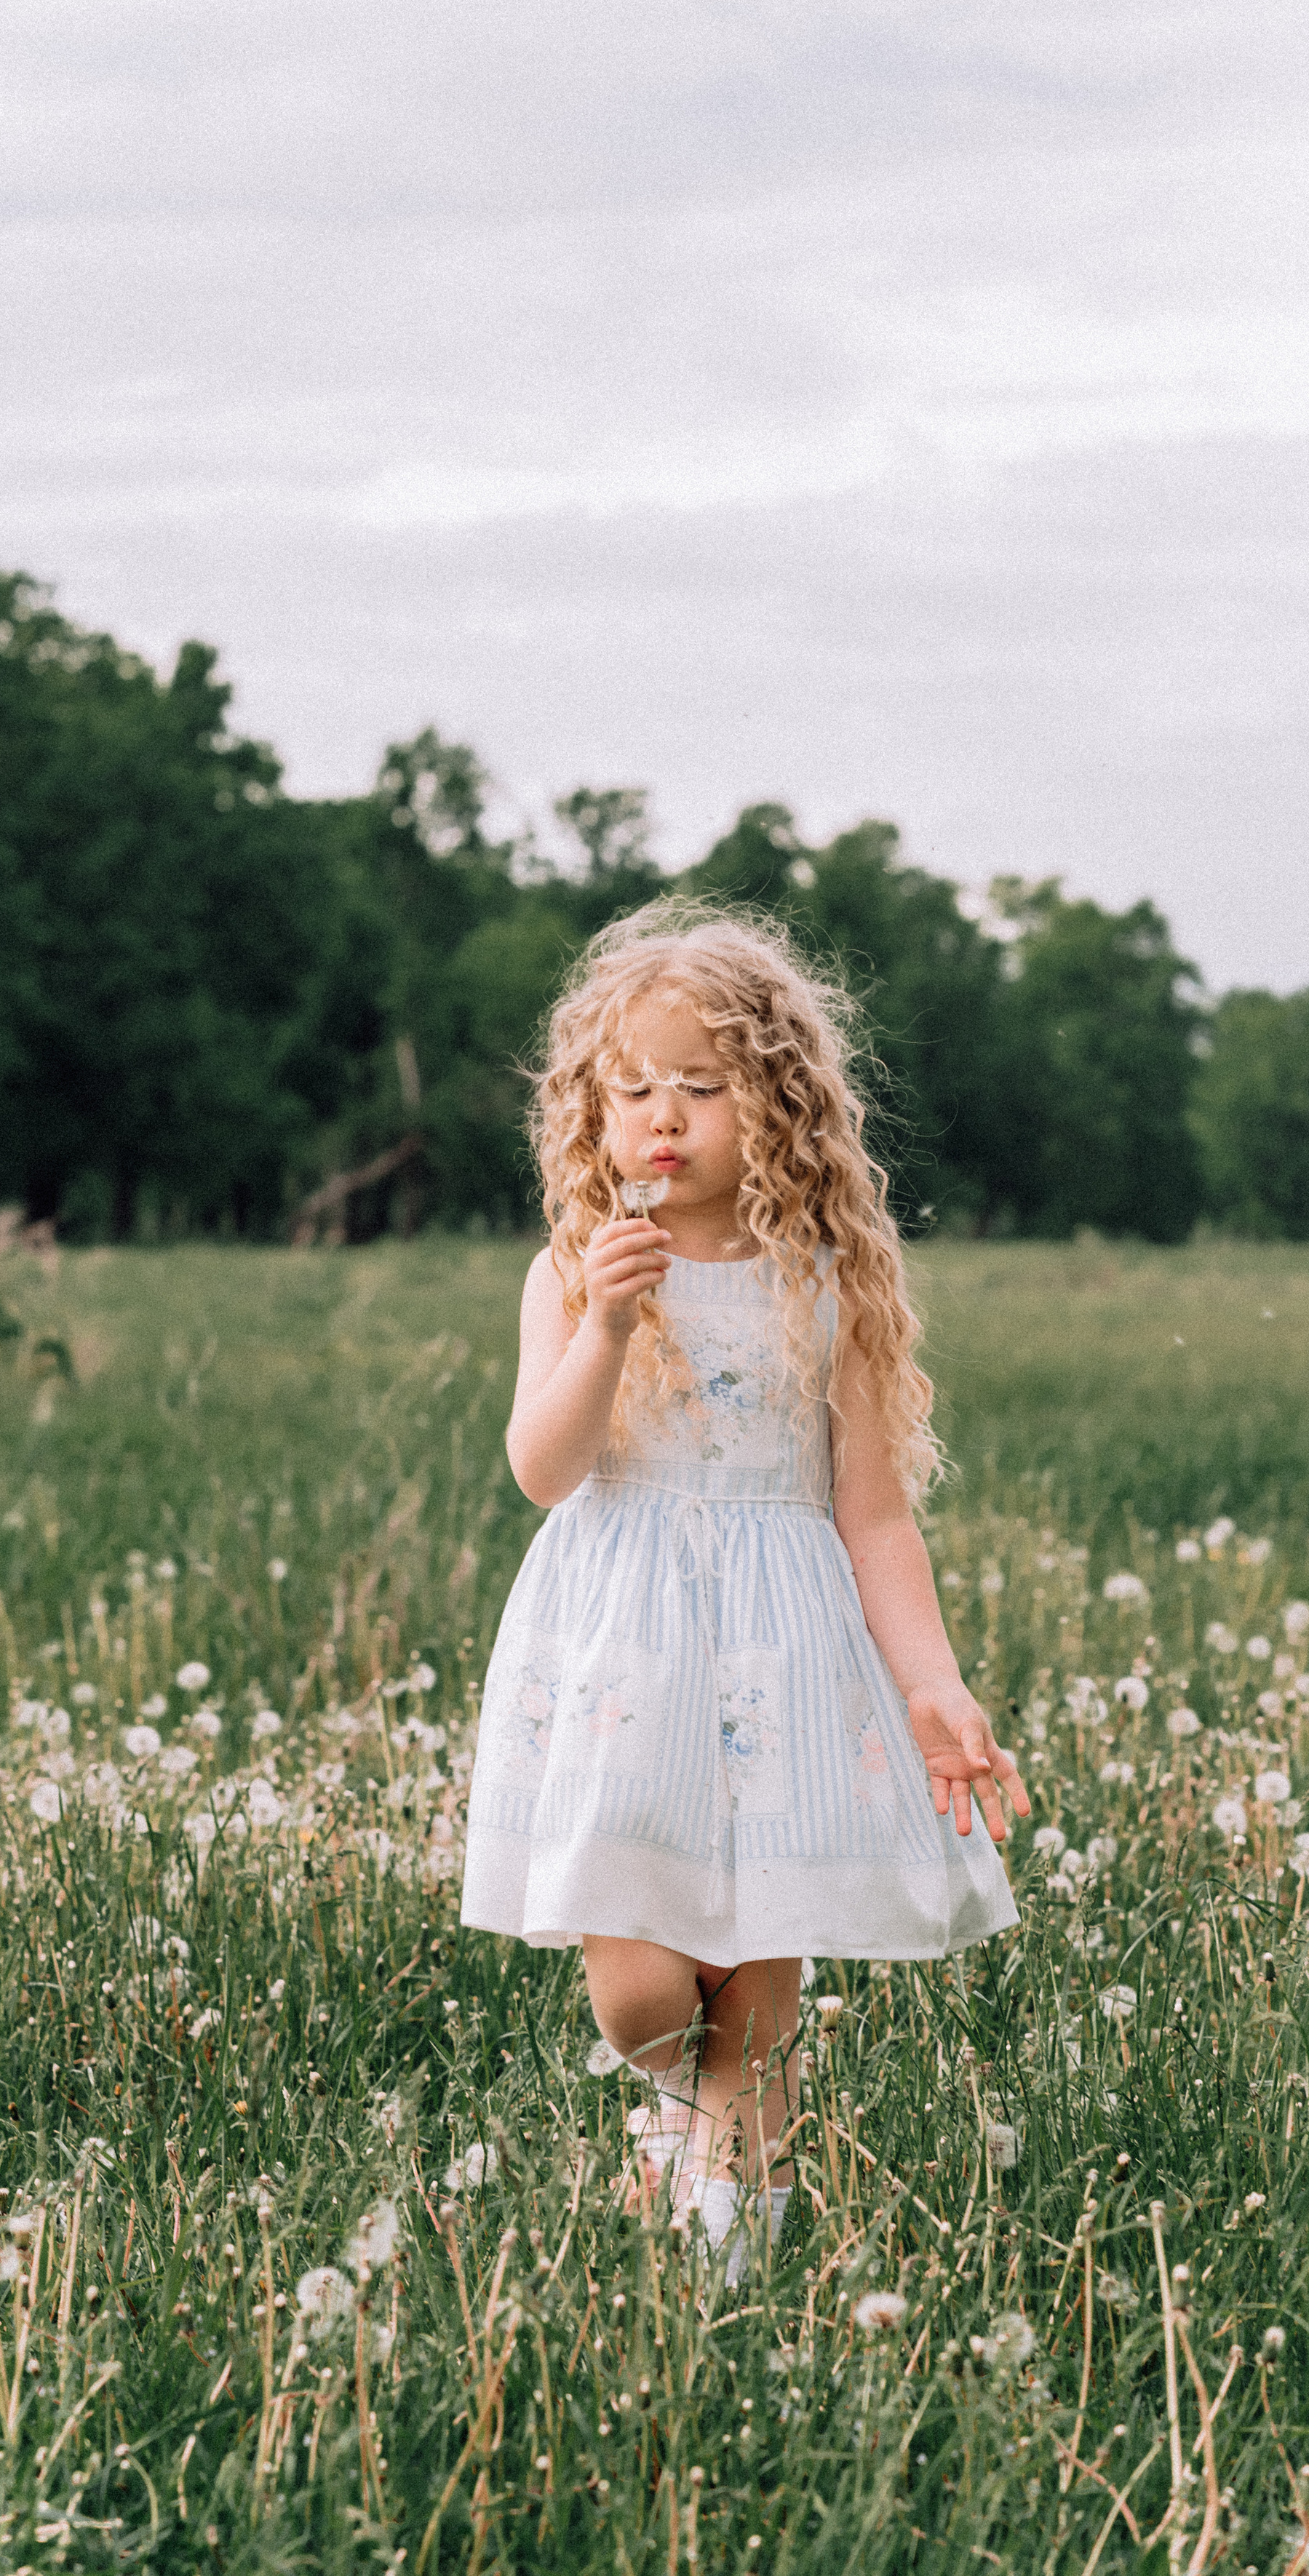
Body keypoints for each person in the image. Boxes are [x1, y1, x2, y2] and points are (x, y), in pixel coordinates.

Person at [460, 903, 1027, 2274]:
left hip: (783, 1650)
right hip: (626, 1652)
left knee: (760, 1983)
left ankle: (734, 2273)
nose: (665, 1118)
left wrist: (935, 1686)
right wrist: (604, 1323)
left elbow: (874, 1512)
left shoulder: (827, 1283)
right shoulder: (574, 1273)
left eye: (704, 1088)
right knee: (643, 1984)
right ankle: (671, 2113)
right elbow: (545, 1468)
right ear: (591, 1112)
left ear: (779, 1105)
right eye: (633, 1089)